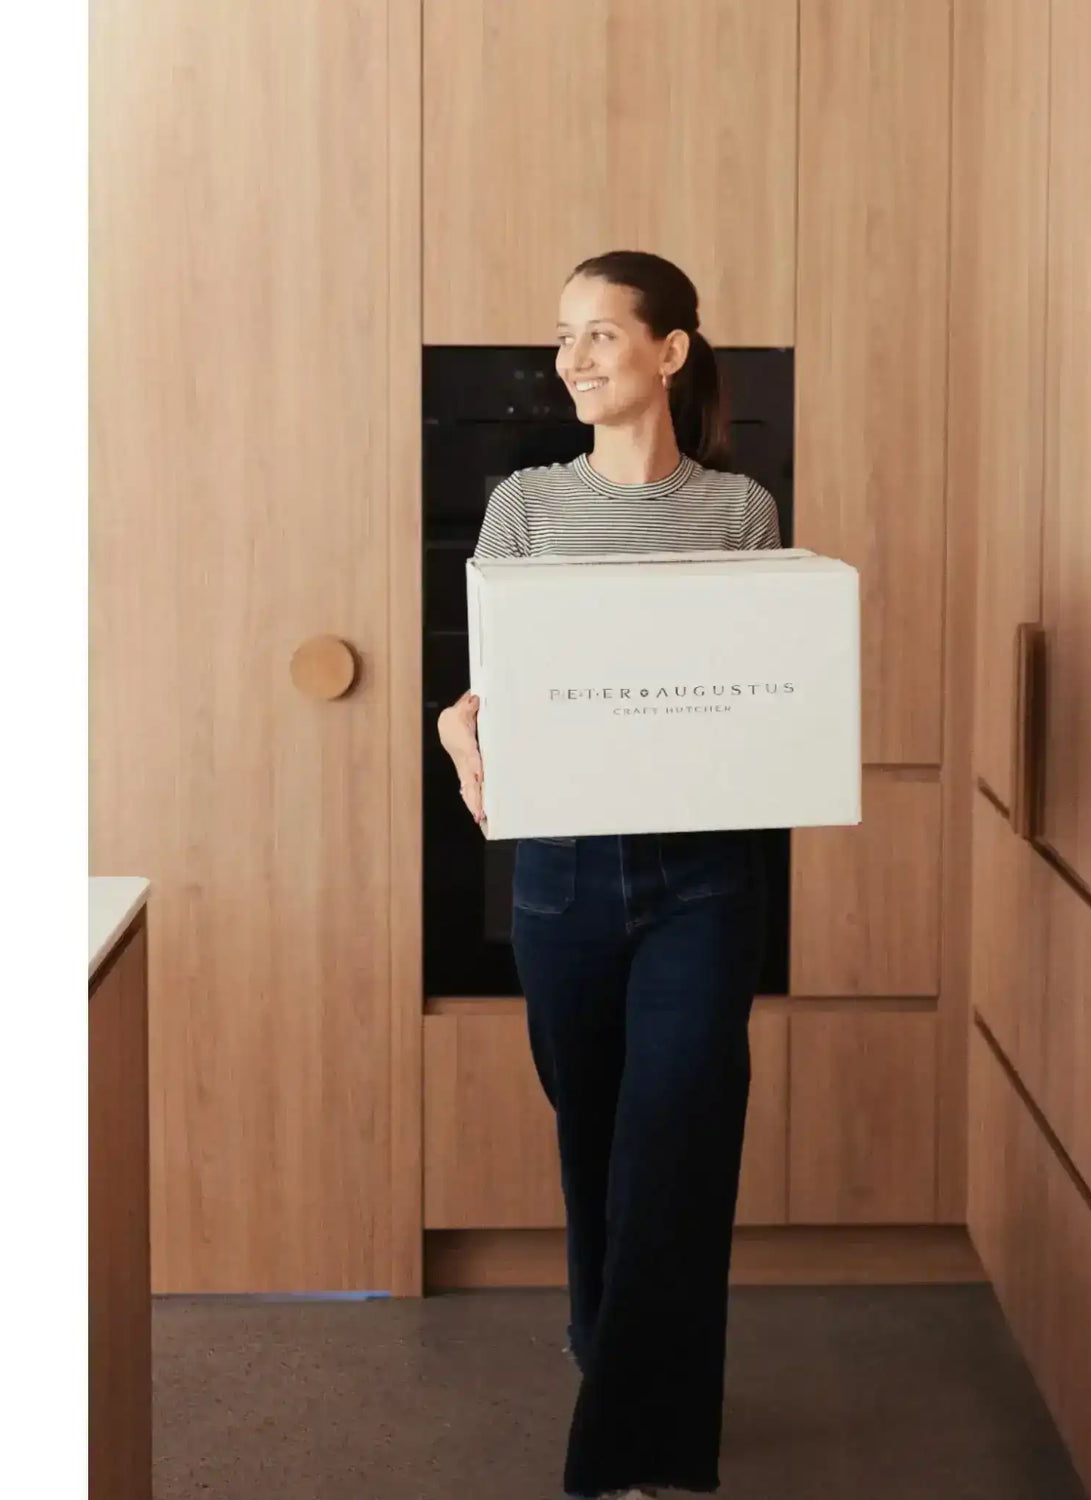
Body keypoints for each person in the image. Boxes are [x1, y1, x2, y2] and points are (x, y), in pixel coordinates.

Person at [437, 250, 782, 1500]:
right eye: (564, 336)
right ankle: (609, 1342)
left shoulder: (740, 512)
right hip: (563, 878)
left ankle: (638, 1455)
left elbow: (755, 692)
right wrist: (457, 731)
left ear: (669, 352)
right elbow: (491, 692)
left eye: (600, 334)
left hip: (706, 877)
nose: (572, 358)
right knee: (594, 1135)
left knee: (677, 1141)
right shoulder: (526, 508)